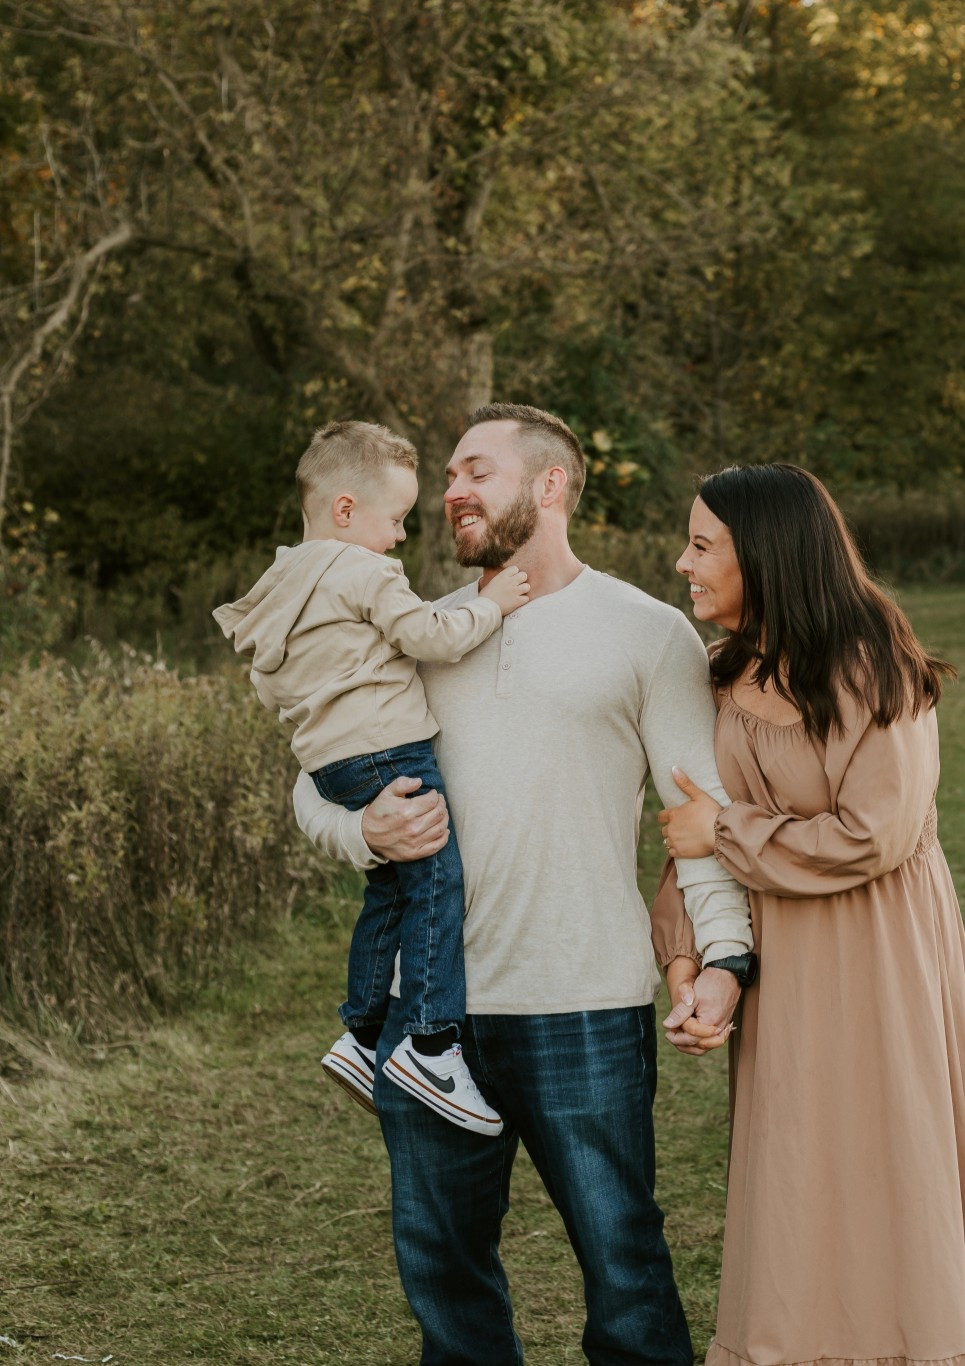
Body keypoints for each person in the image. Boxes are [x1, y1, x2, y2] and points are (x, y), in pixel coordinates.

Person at [291, 403, 755, 1364]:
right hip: (425, 1017)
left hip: (582, 1001)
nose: (452, 492)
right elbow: (312, 782)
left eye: (476, 471)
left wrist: (726, 958)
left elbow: (696, 817)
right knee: (446, 1283)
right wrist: (361, 829)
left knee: (625, 1271)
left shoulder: (646, 630)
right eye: (449, 478)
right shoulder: (408, 627)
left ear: (549, 487)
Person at [658, 463, 965, 1366]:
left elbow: (876, 833)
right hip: (784, 962)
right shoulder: (720, 673)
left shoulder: (872, 665)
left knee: (890, 1162)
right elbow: (689, 829)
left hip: (877, 954)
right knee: (795, 1177)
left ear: (769, 557)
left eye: (703, 546)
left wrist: (726, 830)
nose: (682, 563)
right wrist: (693, 963)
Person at [214, 420, 530, 1134]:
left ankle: (360, 1034)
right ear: (347, 510)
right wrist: (495, 603)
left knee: (389, 887)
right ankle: (430, 1043)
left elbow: (269, 689)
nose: (397, 539)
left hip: (332, 762)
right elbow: (428, 637)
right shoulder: (363, 571)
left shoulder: (281, 585)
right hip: (391, 749)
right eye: (393, 521)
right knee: (436, 881)